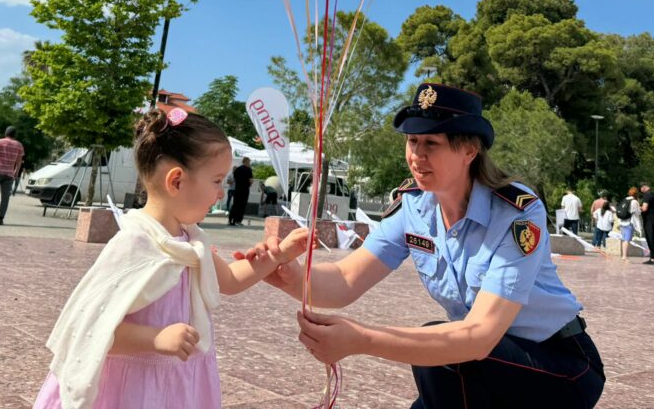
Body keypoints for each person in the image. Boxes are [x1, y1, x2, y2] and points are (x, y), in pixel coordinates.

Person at [240, 83, 606, 407]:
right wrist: (287, 274)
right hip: (479, 365)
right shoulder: (413, 207)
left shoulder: (516, 213)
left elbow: (479, 336)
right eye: (412, 141)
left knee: (442, 356)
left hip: (559, 364)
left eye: (432, 143)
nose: (416, 154)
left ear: (469, 150)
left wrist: (362, 340)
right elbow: (345, 280)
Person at [31, 107, 311, 409]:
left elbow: (229, 279)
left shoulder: (190, 240)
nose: (221, 193)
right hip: (132, 389)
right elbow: (91, 328)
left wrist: (279, 254)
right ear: (176, 181)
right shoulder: (135, 244)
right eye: (217, 180)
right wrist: (155, 338)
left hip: (178, 384)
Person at [617, 187, 642, 261]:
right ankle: (624, 257)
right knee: (627, 240)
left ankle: (623, 256)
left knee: (624, 239)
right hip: (629, 222)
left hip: (622, 222)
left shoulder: (624, 199)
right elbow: (637, 213)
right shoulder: (634, 201)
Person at [639, 182, 654, 265]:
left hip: (649, 219)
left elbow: (644, 208)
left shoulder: (647, 195)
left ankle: (652, 259)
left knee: (650, 238)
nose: (641, 191)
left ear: (643, 187)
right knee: (653, 238)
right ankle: (652, 258)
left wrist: (636, 207)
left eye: (641, 189)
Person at [227, 156, 252, 226]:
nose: (249, 163)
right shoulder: (248, 169)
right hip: (245, 190)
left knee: (235, 205)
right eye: (249, 162)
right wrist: (248, 185)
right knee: (242, 206)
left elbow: (234, 179)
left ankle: (230, 219)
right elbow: (251, 181)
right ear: (246, 161)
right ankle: (237, 220)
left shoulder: (237, 169)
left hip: (237, 189)